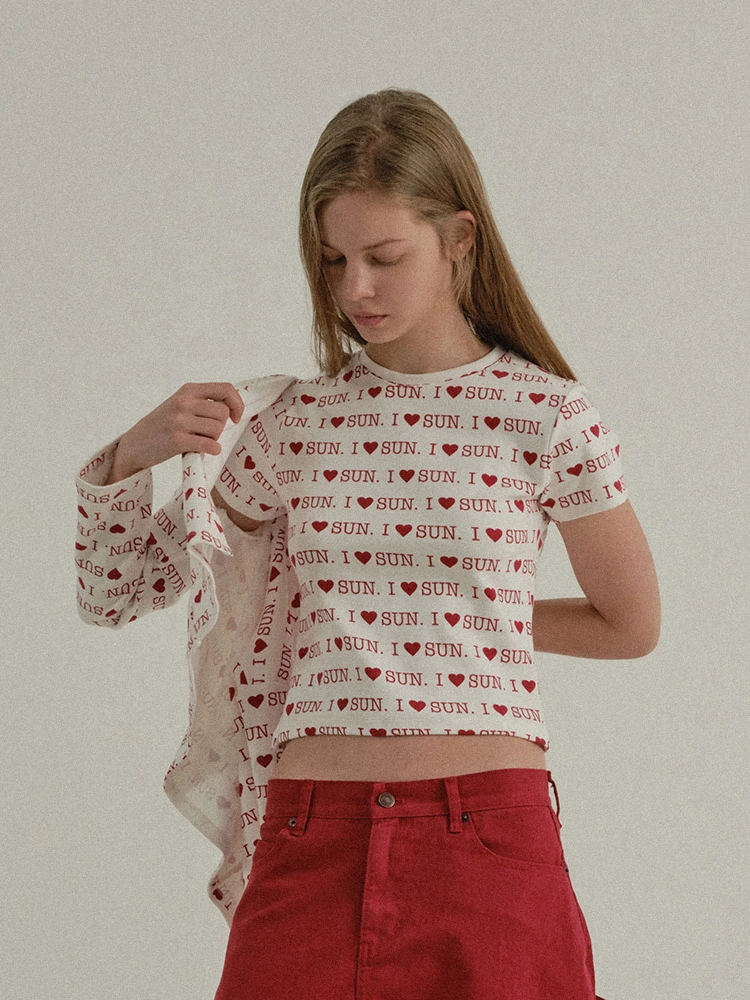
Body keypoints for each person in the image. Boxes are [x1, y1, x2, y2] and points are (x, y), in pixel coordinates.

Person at [75, 88, 660, 999]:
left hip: (487, 842)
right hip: (312, 838)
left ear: (459, 239)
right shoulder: (294, 424)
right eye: (334, 259)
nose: (355, 289)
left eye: (384, 258)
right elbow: (116, 592)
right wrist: (132, 454)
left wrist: (461, 619)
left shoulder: (547, 414)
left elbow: (630, 624)